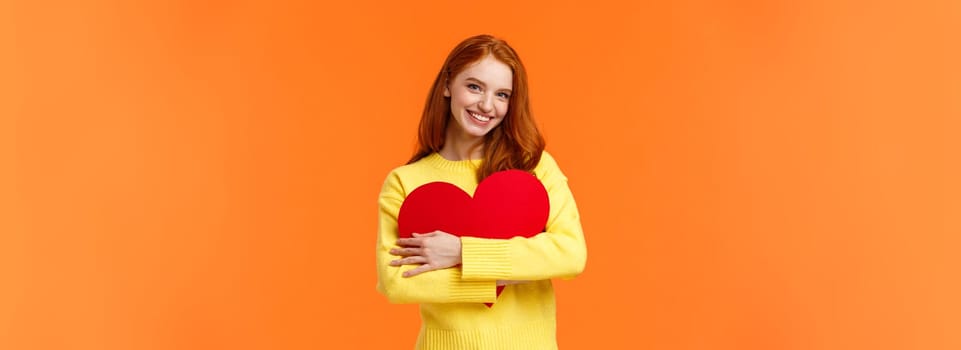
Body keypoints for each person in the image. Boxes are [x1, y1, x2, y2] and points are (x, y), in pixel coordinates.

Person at [375, 34, 587, 349]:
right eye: (474, 87)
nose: (487, 105)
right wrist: (514, 271)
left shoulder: (534, 167)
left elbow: (569, 254)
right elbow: (396, 284)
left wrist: (461, 253)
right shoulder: (405, 182)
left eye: (502, 94)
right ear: (447, 85)